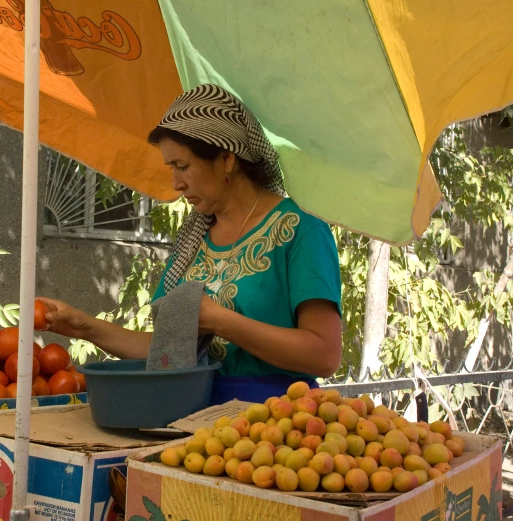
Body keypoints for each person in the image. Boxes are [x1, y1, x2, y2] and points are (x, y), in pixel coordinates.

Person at [38, 84, 342, 404]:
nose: (176, 183)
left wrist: (221, 321)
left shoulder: (301, 229)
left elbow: (324, 355)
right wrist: (85, 327)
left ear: (226, 158)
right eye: (171, 168)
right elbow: (165, 348)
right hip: (191, 417)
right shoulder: (194, 237)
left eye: (183, 166)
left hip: (275, 424)